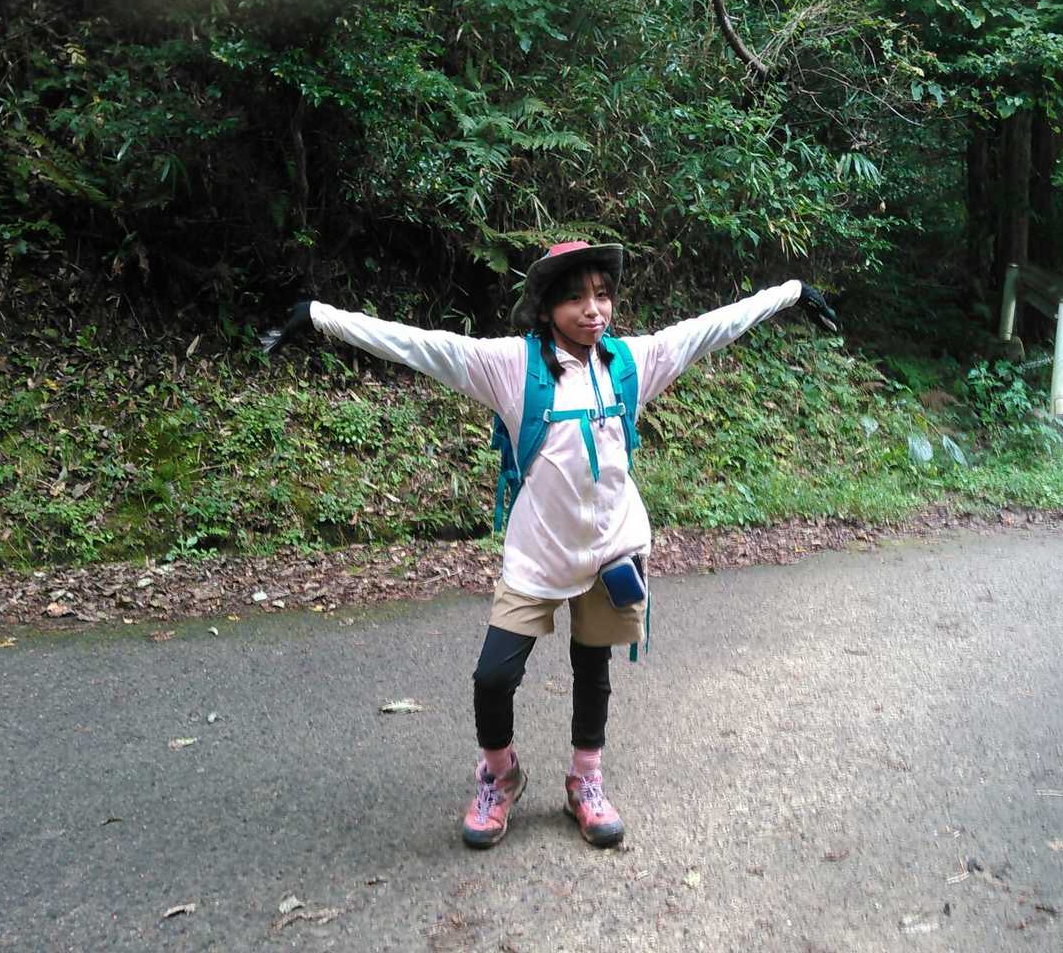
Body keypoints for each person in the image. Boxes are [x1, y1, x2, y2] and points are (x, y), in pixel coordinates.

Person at [262, 241, 838, 849]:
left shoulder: (630, 363)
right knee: (493, 677)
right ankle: (500, 775)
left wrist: (791, 293)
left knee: (593, 668)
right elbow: (424, 345)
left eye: (602, 295)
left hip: (612, 549)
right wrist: (321, 316)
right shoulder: (512, 367)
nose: (593, 310)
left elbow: (710, 328)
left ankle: (585, 781)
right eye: (575, 298)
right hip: (537, 552)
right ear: (545, 308)